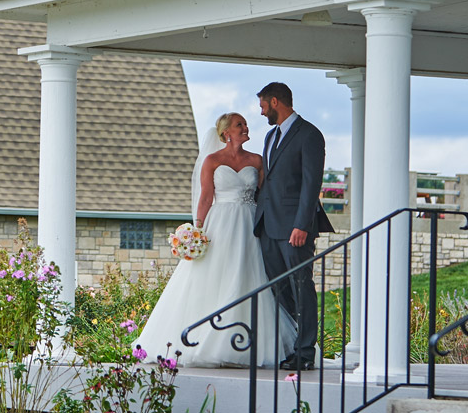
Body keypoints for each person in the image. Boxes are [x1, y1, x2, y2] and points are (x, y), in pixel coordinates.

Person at [135, 112, 296, 367]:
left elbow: (264, 196)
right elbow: (206, 198)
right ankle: (202, 341)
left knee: (248, 275)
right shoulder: (211, 160)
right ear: (226, 133)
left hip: (250, 223)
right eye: (239, 124)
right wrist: (195, 232)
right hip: (220, 224)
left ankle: (246, 345)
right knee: (214, 277)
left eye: (244, 123)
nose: (245, 127)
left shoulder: (257, 160)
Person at [252, 82, 335, 372]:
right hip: (268, 226)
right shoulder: (269, 136)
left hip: (294, 230)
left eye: (263, 106)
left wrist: (302, 224)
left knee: (301, 287)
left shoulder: (309, 135)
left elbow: (311, 184)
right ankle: (290, 344)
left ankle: (305, 352)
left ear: (275, 102)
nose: (261, 113)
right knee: (279, 288)